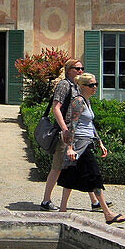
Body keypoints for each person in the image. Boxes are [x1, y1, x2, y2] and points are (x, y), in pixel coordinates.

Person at [57, 72, 125, 224]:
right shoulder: (78, 102)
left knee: (71, 174)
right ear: (82, 87)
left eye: (95, 84)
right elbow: (73, 125)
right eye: (91, 85)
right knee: (94, 176)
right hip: (79, 144)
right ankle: (107, 214)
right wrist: (70, 147)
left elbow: (90, 124)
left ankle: (62, 210)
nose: (95, 87)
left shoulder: (86, 101)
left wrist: (100, 142)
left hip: (86, 142)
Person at [39, 58, 101, 212]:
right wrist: (64, 129)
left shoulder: (77, 87)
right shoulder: (64, 84)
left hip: (76, 134)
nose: (80, 71)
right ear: (68, 70)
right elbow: (56, 108)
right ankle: (46, 200)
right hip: (66, 132)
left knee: (82, 165)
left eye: (81, 68)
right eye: (76, 68)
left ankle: (95, 201)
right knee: (58, 167)